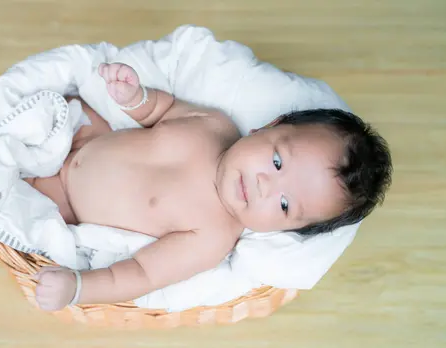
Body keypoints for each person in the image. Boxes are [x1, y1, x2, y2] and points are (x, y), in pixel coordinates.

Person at [27, 62, 392, 311]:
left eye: (284, 205)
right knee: (57, 100)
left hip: (69, 203)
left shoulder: (212, 236)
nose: (265, 185)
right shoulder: (214, 125)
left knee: (25, 207)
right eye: (277, 161)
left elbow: (141, 273)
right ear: (268, 126)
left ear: (288, 229)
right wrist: (133, 96)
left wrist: (78, 288)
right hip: (90, 134)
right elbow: (161, 110)